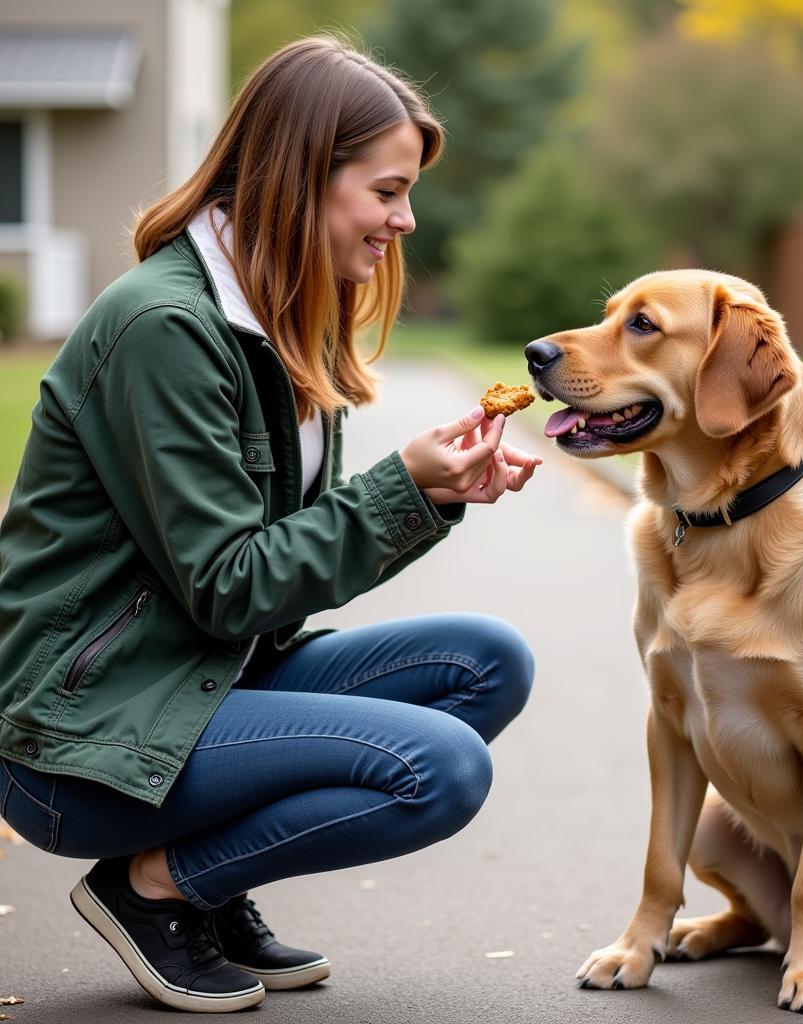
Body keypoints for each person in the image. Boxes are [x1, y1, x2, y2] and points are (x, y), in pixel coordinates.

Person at [0, 36, 539, 1014]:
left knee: (488, 661)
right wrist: (403, 490)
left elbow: (263, 581)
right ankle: (157, 889)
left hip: (203, 683)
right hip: (82, 739)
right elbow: (231, 582)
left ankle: (203, 881)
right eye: (385, 191)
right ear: (304, 175)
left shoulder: (279, 311)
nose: (404, 219)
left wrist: (439, 490)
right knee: (439, 768)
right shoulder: (165, 327)